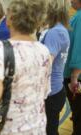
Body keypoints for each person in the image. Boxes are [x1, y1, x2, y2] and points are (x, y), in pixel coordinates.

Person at [0, 0, 52, 134]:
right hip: (38, 127)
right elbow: (45, 91)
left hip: (10, 129)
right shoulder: (44, 51)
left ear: (9, 19)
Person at [40, 0, 70, 134]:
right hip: (56, 89)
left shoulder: (55, 32)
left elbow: (46, 64)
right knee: (51, 129)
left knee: (49, 131)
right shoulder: (61, 30)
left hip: (50, 93)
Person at [64, 0, 81, 134]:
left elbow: (78, 48)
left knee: (78, 114)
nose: (70, 0)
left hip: (76, 76)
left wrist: (74, 77)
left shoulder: (80, 18)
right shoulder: (77, 16)